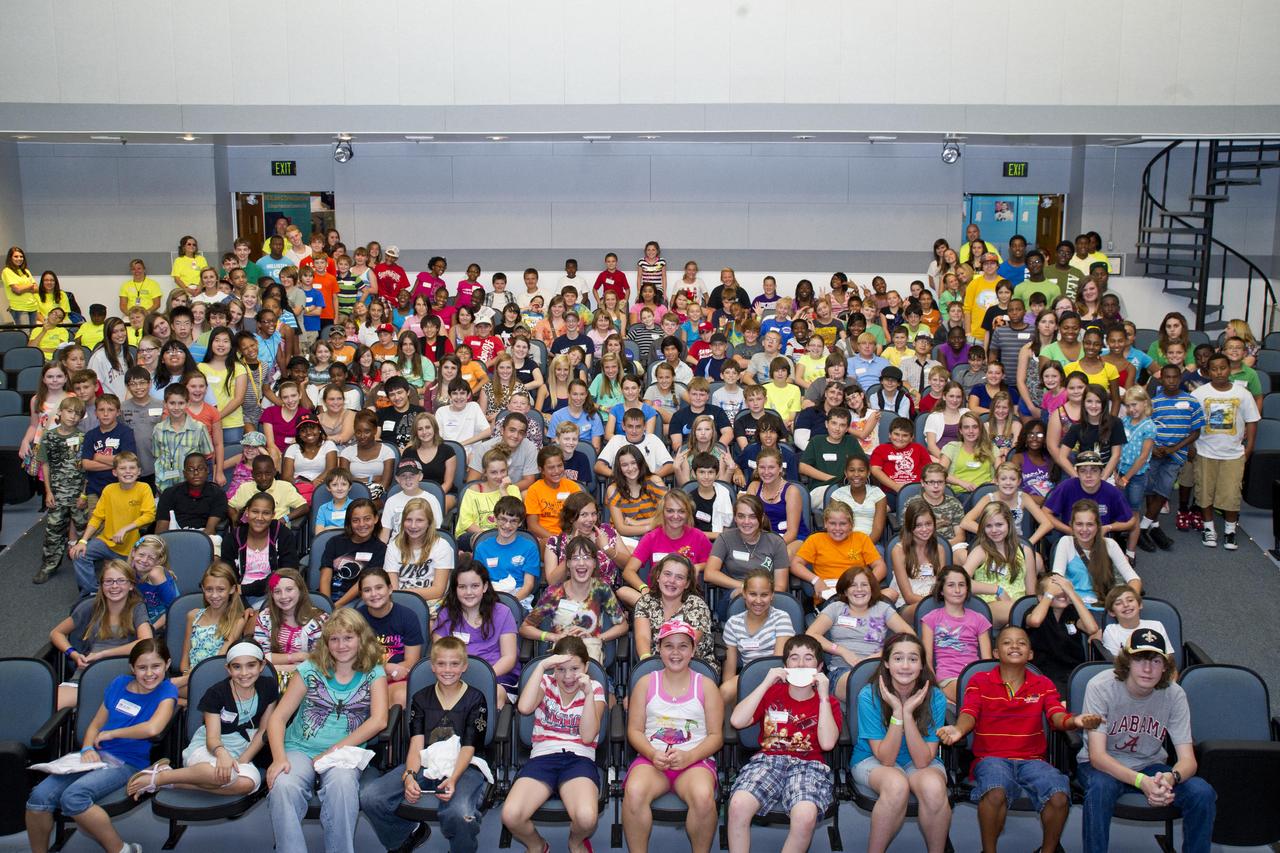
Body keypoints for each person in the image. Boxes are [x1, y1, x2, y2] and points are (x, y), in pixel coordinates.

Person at [936, 625, 1101, 853]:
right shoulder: (979, 680)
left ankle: (1048, 850)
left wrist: (1076, 721)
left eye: (1022, 643)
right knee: (995, 790)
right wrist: (958, 729)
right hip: (991, 758)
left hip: (1033, 761)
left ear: (1030, 654)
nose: (1015, 646)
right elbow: (969, 713)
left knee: (1059, 794)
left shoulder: (1043, 684)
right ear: (995, 653)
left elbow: (1056, 716)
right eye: (1007, 642)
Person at [25, 638, 177, 853]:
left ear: (167, 665)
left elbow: (153, 728)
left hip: (127, 762)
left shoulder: (166, 692)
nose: (149, 673)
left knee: (74, 797)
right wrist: (87, 748)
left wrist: (113, 733)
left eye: (156, 666)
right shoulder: (118, 684)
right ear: (132, 668)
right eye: (142, 667)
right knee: (38, 797)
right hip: (95, 757)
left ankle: (122, 850)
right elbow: (95, 725)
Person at [1076, 630, 1216, 853]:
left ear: (1165, 667)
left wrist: (1171, 777)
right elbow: (1097, 757)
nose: (1148, 669)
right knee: (1100, 788)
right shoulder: (1100, 686)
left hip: (1150, 765)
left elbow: (1188, 760)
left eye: (1156, 661)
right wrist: (1142, 782)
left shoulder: (1175, 695)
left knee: (1202, 792)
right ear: (1127, 662)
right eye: (1140, 659)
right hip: (1104, 766)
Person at [267, 609, 388, 853]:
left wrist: (332, 751)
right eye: (334, 639)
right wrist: (279, 758)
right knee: (283, 786)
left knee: (343, 788)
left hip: (344, 753)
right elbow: (278, 717)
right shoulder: (311, 668)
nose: (341, 645)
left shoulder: (373, 671)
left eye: (348, 638)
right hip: (300, 747)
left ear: (361, 638)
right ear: (326, 642)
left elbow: (379, 721)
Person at [360, 635, 490, 853]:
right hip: (425, 763)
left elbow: (469, 746)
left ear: (464, 666)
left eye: (454, 664)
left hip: (464, 766)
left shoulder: (476, 699)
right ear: (432, 666)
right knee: (371, 797)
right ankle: (405, 835)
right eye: (441, 663)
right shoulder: (420, 698)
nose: (447, 669)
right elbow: (416, 744)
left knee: (461, 815)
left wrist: (453, 778)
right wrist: (409, 775)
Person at [726, 634, 841, 853]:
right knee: (738, 805)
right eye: (794, 658)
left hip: (808, 766)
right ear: (785, 664)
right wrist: (766, 683)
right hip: (768, 761)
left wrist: (824, 696)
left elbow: (827, 744)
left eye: (808, 658)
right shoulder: (772, 693)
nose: (800, 663)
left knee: (805, 816)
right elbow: (737, 720)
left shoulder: (829, 702)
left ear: (819, 666)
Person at [127, 641, 278, 800]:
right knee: (216, 774)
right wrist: (222, 754)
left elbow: (263, 730)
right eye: (237, 667)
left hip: (241, 751)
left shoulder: (268, 686)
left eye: (251, 665)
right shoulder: (215, 694)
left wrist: (243, 760)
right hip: (209, 748)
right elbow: (212, 739)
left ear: (261, 666)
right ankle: (158, 778)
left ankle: (169, 779)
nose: (244, 673)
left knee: (248, 784)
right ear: (228, 669)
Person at [622, 619, 724, 853]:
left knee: (702, 796)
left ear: (693, 650)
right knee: (635, 792)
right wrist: (651, 753)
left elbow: (716, 736)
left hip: (695, 762)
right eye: (669, 646)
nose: (675, 653)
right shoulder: (645, 683)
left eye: (683, 646)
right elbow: (635, 731)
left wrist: (689, 757)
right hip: (651, 761)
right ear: (659, 649)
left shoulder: (707, 686)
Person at [501, 636, 606, 853]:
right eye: (560, 669)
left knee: (586, 819)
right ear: (553, 669)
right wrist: (541, 666)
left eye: (575, 669)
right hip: (543, 756)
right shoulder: (546, 682)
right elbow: (525, 707)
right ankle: (537, 845)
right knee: (511, 815)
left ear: (586, 667)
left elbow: (587, 737)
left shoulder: (594, 688)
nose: (568, 677)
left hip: (579, 758)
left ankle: (575, 842)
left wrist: (587, 696)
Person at [851, 633, 952, 853]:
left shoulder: (935, 696)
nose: (905, 666)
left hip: (918, 760)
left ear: (921, 664)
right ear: (886, 663)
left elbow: (924, 760)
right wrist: (897, 711)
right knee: (896, 785)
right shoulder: (869, 695)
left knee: (934, 787)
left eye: (913, 659)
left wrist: (907, 714)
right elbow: (886, 759)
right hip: (873, 759)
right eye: (898, 658)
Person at [805, 566, 912, 700]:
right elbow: (811, 634)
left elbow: (909, 635)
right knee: (864, 687)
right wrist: (841, 650)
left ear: (872, 589)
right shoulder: (835, 608)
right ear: (845, 590)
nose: (859, 589)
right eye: (853, 585)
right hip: (843, 671)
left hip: (879, 668)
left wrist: (882, 654)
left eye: (864, 585)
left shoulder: (883, 609)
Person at [521, 536, 630, 666]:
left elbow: (622, 625)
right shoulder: (554, 592)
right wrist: (554, 637)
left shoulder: (602, 590)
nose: (581, 563)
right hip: (560, 658)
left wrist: (597, 638)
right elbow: (525, 628)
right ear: (568, 563)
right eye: (575, 558)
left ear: (595, 563)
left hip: (590, 656)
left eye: (587, 557)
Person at [1190, 352, 1260, 550]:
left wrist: (1250, 448)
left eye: (1223, 368)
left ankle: (1230, 530)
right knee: (1204, 492)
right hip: (1205, 451)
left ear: (1230, 369)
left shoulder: (1242, 394)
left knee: (1231, 494)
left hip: (1233, 453)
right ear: (1207, 371)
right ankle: (1209, 528)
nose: (1219, 372)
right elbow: (1191, 422)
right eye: (1214, 369)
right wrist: (1191, 446)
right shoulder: (1199, 393)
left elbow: (1252, 421)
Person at [432, 560, 519, 704]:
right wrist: (459, 676)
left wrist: (482, 676)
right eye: (462, 587)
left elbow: (509, 658)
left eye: (475, 586)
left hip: (497, 677)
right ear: (455, 589)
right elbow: (439, 655)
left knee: (492, 695)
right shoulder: (445, 615)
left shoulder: (503, 612)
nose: (468, 592)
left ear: (484, 587)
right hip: (454, 677)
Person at [69, 452, 155, 595]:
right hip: (106, 542)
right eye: (123, 468)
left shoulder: (144, 488)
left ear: (139, 471)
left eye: (132, 468)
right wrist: (83, 541)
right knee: (79, 554)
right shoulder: (109, 490)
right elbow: (97, 517)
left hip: (131, 548)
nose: (128, 472)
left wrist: (125, 529)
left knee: (137, 589)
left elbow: (149, 515)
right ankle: (92, 593)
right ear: (115, 472)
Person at [35, 396, 89, 584]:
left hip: (78, 495)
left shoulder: (84, 438)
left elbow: (86, 469)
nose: (73, 417)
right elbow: (46, 466)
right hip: (57, 493)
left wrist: (83, 493)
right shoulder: (49, 437)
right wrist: (48, 492)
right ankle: (49, 565)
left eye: (78, 414)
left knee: (85, 528)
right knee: (53, 531)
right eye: (70, 411)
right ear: (60, 412)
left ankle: (92, 564)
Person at [792, 501, 887, 607]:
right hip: (829, 591)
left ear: (851, 525)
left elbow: (880, 566)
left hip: (856, 588)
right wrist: (816, 580)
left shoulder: (861, 539)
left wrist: (866, 584)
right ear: (825, 523)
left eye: (843, 524)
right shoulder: (815, 540)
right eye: (832, 523)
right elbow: (795, 564)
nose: (837, 528)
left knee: (890, 595)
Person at [632, 554, 717, 672]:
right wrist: (647, 663)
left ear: (687, 583)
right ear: (658, 576)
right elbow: (643, 637)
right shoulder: (645, 602)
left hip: (694, 665)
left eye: (679, 577)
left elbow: (687, 644)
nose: (672, 581)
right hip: (655, 664)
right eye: (667, 574)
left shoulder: (697, 605)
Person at [355, 567, 424, 709]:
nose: (374, 594)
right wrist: (385, 668)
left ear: (390, 589)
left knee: (401, 696)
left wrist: (388, 674)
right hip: (364, 678)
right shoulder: (356, 619)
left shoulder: (408, 616)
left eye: (379, 588)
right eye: (367, 590)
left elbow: (411, 661)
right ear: (361, 595)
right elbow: (353, 661)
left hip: (397, 677)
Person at [962, 501, 1037, 627]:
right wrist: (997, 590)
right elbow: (960, 581)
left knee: (1033, 612)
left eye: (999, 524)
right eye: (988, 526)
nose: (994, 530)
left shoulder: (1025, 551)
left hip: (1019, 604)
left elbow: (1031, 592)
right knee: (1020, 613)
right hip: (990, 605)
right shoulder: (981, 551)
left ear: (1009, 524)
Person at [222, 492, 301, 600]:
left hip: (275, 594)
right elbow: (228, 578)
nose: (259, 517)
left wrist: (246, 589)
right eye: (255, 511)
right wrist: (243, 605)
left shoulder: (283, 534)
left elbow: (287, 573)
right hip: (238, 597)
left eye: (266, 513)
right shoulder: (233, 538)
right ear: (247, 512)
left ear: (273, 515)